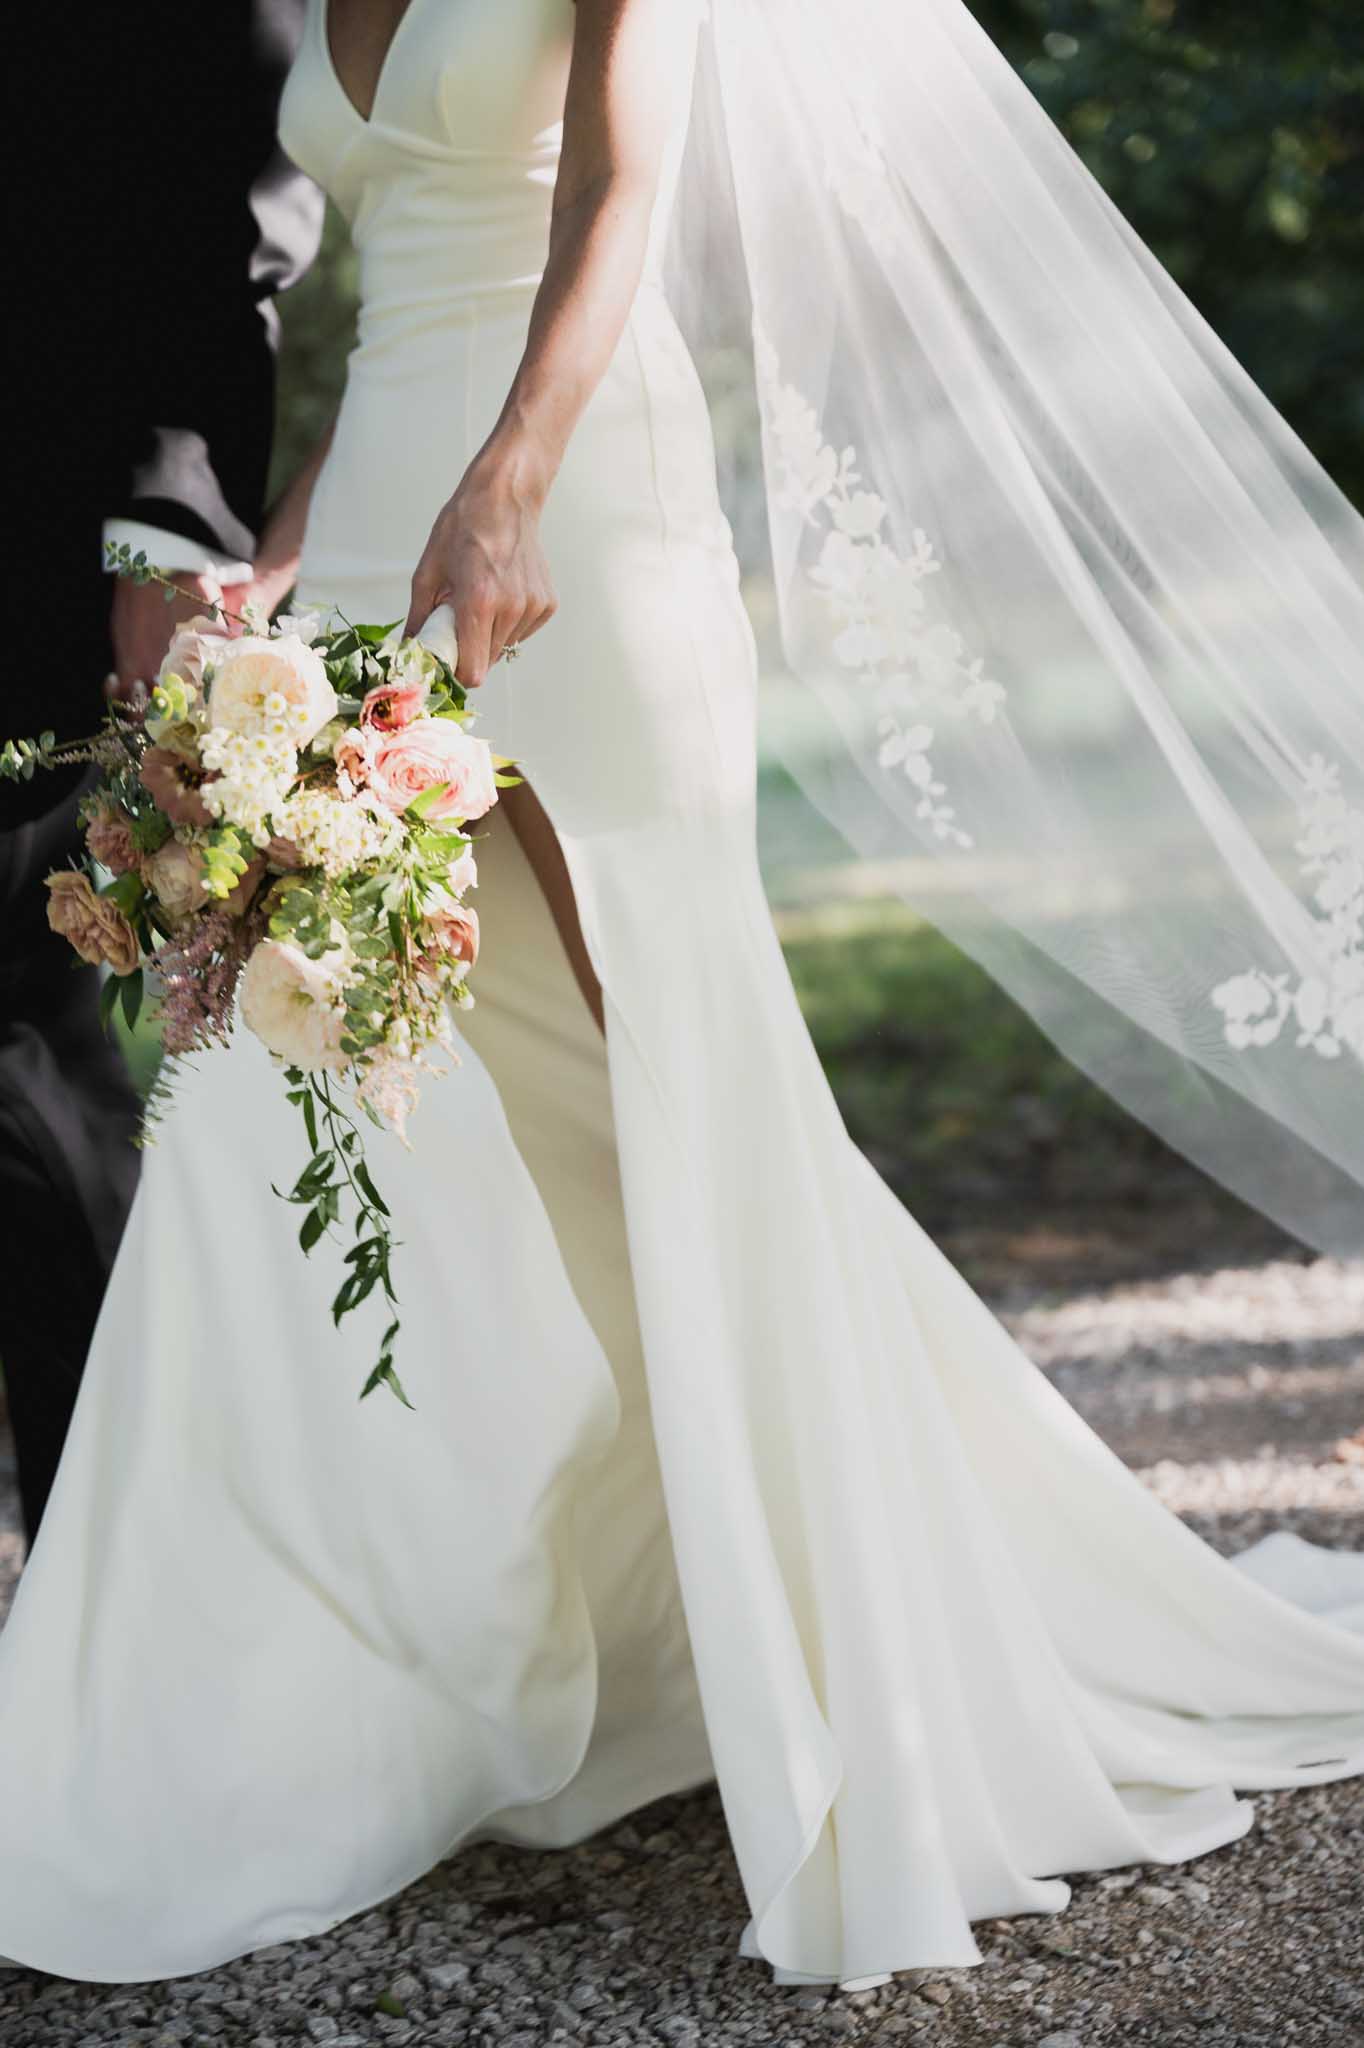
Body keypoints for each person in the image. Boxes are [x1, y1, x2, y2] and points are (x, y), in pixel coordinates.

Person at [1, 0, 1360, 1992]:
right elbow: (371, 301)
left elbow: (624, 190)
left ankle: (850, 1654)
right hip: (385, 517)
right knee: (301, 1072)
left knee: (670, 1084)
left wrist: (513, 482)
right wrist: (273, 571)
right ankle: (271, 1701)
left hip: (568, 507)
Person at [0, 4, 323, 1542]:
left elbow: (226, 158)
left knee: (28, 1046)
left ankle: (112, 1568)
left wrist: (168, 514)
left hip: (49, 511)